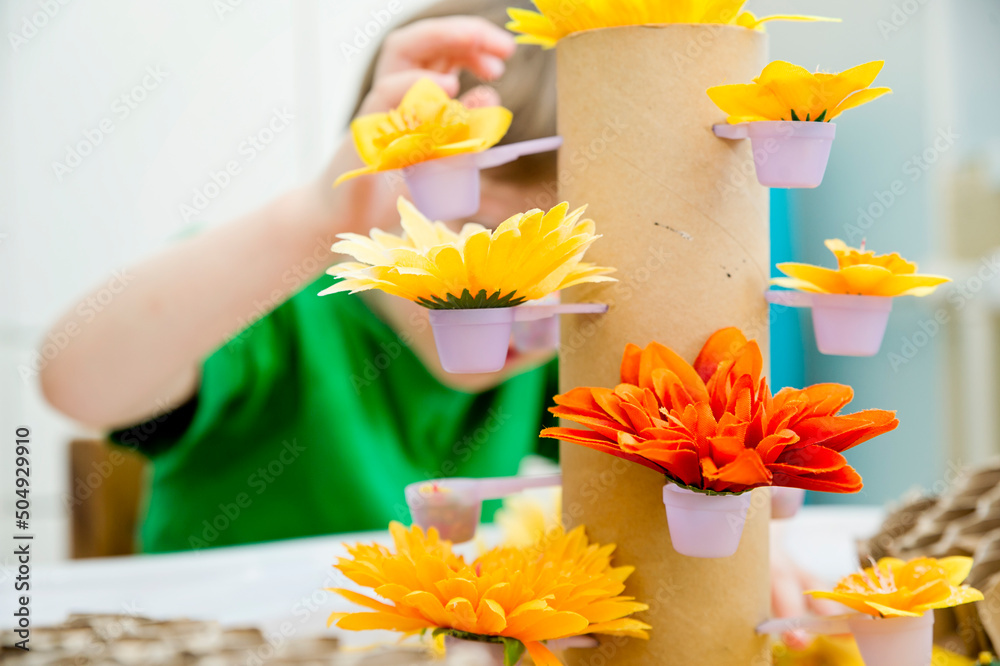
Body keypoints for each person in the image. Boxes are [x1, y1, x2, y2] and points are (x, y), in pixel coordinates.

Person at [40, 0, 833, 625]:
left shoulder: (560, 345)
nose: (522, 299)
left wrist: (757, 547)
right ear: (379, 192)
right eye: (483, 237)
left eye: (570, 261)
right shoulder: (282, 309)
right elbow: (78, 379)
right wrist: (317, 219)